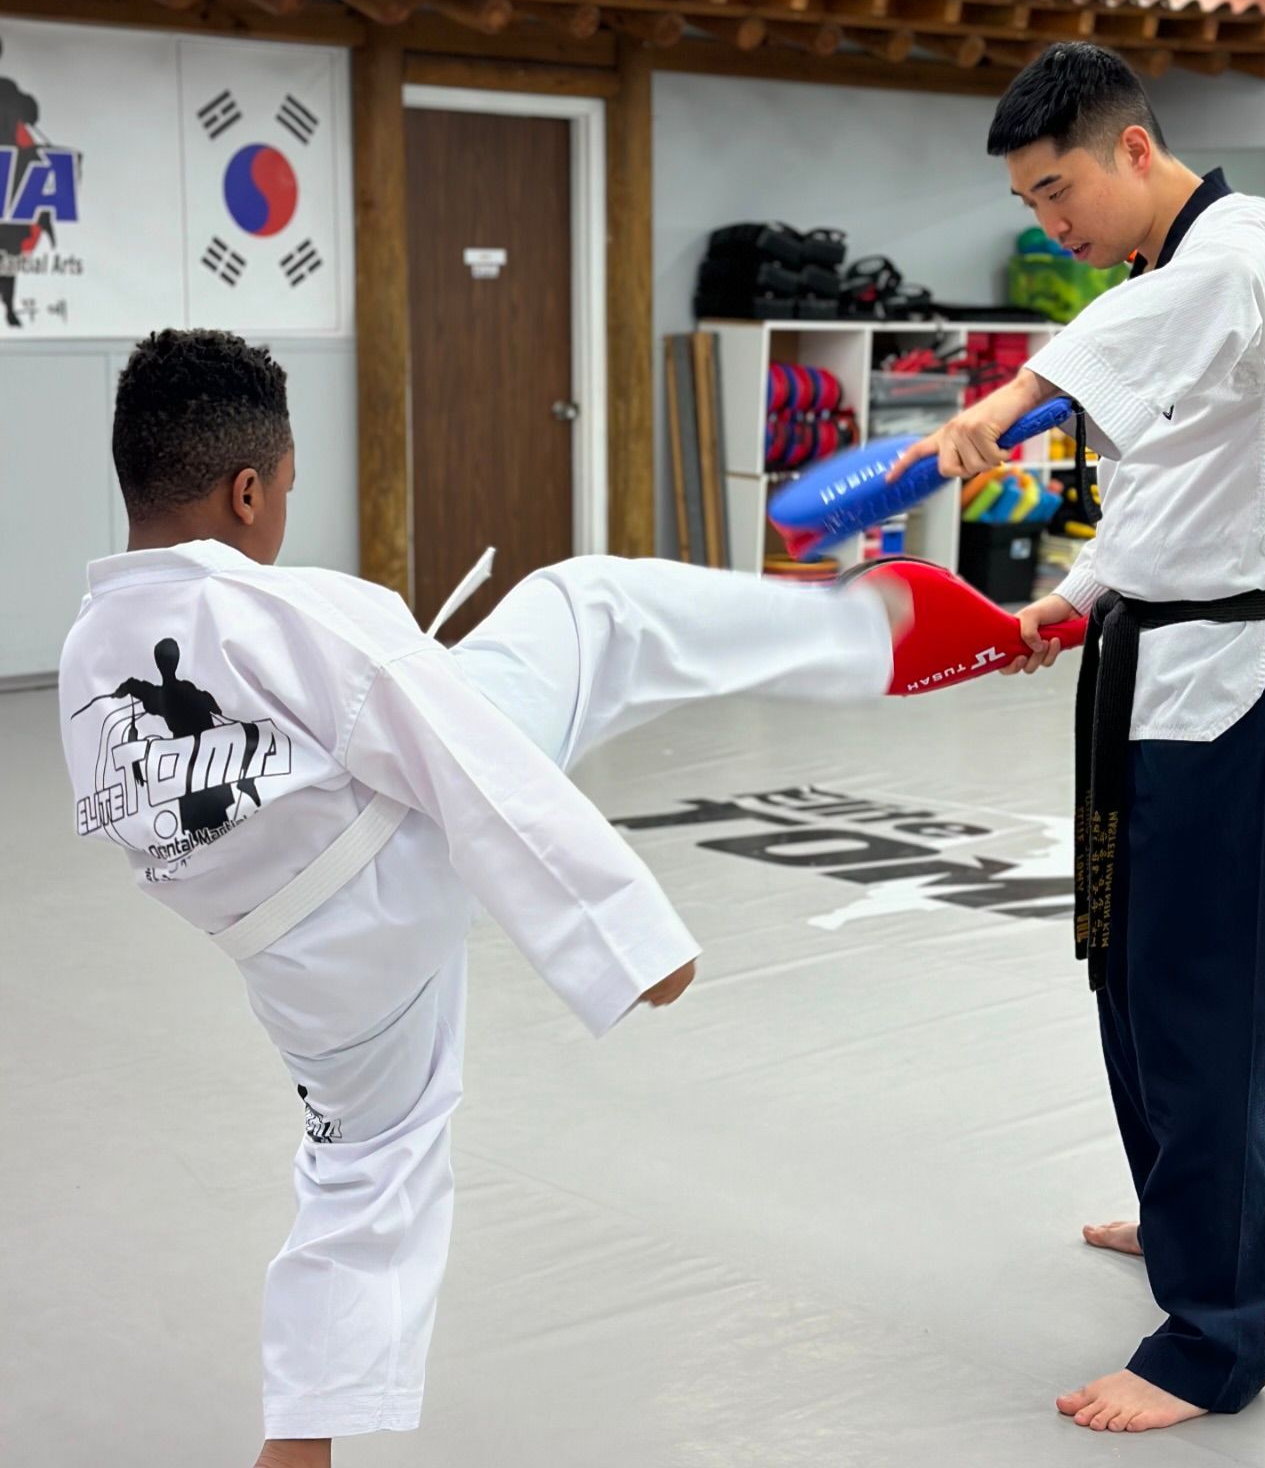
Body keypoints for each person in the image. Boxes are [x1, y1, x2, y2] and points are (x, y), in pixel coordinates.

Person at [58, 328, 927, 1468]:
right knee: (593, 607)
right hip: (395, 855)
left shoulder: (85, 657)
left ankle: (300, 1443)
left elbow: (162, 831)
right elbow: (462, 760)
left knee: (367, 1166)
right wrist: (626, 936)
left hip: (296, 971)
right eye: (286, 493)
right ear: (248, 489)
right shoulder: (299, 609)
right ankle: (863, 634)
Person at [893, 44, 1265, 1434]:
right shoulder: (1164, 287)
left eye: (1060, 190)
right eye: (1032, 205)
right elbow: (1177, 493)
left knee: (1218, 1001)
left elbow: (1118, 384)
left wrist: (1001, 402)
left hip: (1256, 684)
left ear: (1137, 150)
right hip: (1162, 667)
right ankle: (1182, 1224)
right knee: (1140, 976)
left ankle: (1214, 1340)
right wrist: (1072, 602)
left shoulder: (1248, 243)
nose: (1054, 224)